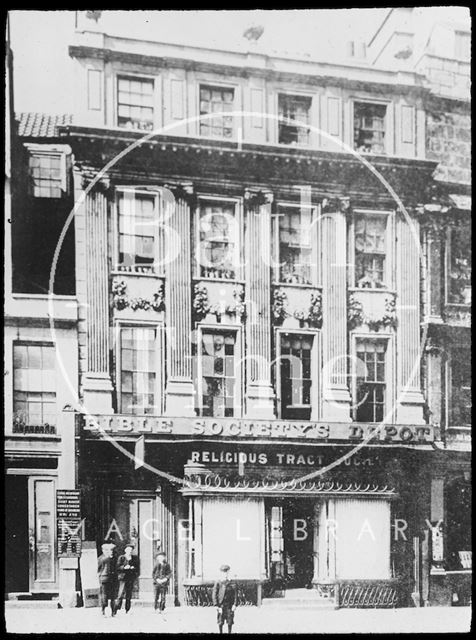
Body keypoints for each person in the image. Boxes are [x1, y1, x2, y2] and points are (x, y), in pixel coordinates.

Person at [212, 564, 237, 634]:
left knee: (230, 621)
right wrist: (216, 605)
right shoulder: (218, 582)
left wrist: (234, 604)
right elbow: (214, 594)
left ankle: (229, 632)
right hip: (221, 605)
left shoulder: (232, 583)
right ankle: (221, 632)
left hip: (229, 605)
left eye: (227, 572)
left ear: (229, 573)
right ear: (221, 573)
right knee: (220, 621)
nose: (225, 574)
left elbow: (235, 595)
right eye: (223, 572)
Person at [115, 543, 139, 614]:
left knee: (129, 594)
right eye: (128, 550)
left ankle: (127, 609)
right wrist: (124, 567)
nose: (130, 551)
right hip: (123, 578)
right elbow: (117, 567)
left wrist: (133, 568)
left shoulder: (134, 558)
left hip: (130, 578)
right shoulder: (121, 558)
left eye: (131, 550)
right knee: (121, 593)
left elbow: (137, 568)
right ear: (125, 550)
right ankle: (117, 607)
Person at [97, 542, 117, 617]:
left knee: (104, 595)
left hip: (104, 578)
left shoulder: (101, 558)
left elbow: (98, 569)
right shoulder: (111, 558)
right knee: (111, 596)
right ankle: (112, 612)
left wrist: (99, 576)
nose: (111, 551)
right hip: (110, 578)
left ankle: (103, 611)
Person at [152, 551, 171, 617]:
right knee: (156, 596)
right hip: (157, 583)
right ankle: (156, 608)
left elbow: (169, 574)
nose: (161, 558)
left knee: (163, 597)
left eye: (162, 557)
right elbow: (153, 574)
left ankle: (161, 608)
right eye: (159, 557)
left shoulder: (167, 565)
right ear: (157, 558)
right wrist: (157, 579)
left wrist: (165, 579)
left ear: (164, 557)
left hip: (164, 583)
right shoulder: (156, 565)